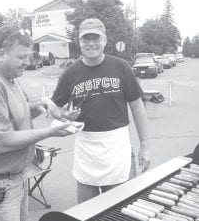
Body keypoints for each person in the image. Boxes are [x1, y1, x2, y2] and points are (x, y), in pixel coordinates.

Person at [0, 24, 78, 221]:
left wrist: (39, 106)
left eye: (28, 56)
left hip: (15, 178)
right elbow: (0, 143)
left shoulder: (9, 78)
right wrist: (49, 132)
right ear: (1, 53)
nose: (27, 62)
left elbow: (15, 116)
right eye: (22, 57)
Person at [50, 18, 151, 204]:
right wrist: (63, 115)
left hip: (118, 152)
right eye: (85, 39)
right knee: (87, 212)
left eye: (95, 38)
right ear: (79, 42)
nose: (91, 43)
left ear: (104, 40)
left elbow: (137, 107)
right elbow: (54, 107)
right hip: (87, 154)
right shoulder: (70, 73)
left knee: (122, 211)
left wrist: (145, 146)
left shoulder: (121, 67)